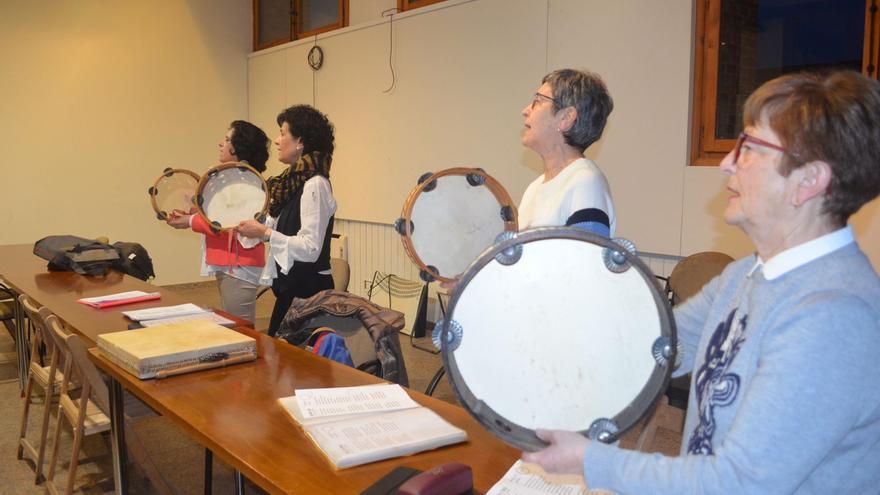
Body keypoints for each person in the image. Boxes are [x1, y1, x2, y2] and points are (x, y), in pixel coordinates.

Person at [522, 70, 880, 494]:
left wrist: (591, 460)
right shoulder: (743, 276)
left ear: (809, 181)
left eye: (750, 149)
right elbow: (653, 349)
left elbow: (737, 483)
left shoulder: (833, 316)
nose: (727, 162)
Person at [236, 105, 337, 337]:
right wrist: (256, 230)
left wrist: (266, 233)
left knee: (294, 366)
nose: (277, 140)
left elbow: (310, 248)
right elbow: (280, 228)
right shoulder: (291, 183)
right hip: (292, 291)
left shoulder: (315, 184)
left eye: (283, 133)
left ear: (300, 141)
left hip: (309, 295)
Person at [166, 120, 270, 323]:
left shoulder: (244, 180)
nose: (220, 144)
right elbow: (215, 215)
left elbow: (225, 224)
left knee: (241, 329)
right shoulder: (231, 176)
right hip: (230, 262)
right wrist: (189, 214)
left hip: (240, 265)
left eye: (227, 139)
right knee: (234, 326)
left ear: (238, 147)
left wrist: (190, 221)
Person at [519, 69, 616, 236]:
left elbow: (585, 257)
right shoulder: (533, 188)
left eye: (538, 101)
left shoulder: (586, 182)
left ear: (566, 117)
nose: (526, 110)